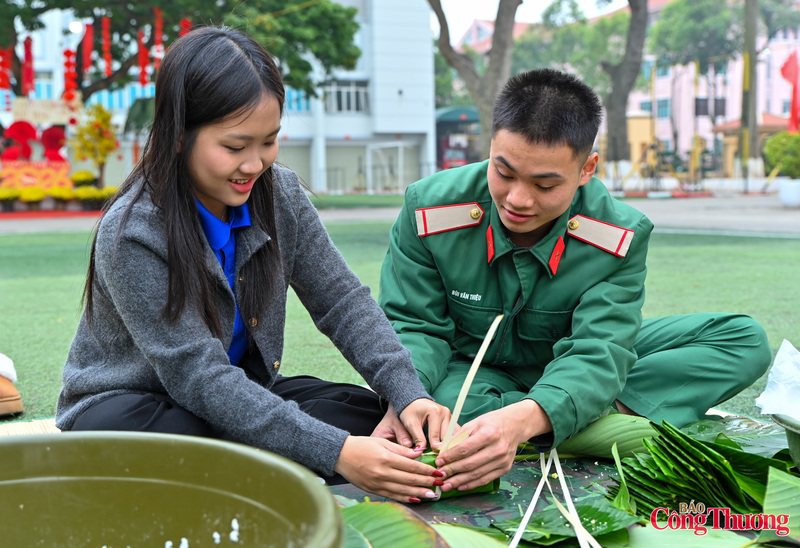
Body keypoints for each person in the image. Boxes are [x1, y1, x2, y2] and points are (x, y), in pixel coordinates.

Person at [55, 26, 451, 504]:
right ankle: (284, 462)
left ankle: (285, 459)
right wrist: (339, 453)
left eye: (270, 141)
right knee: (187, 446)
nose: (255, 164)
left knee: (371, 417)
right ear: (179, 135)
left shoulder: (280, 195)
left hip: (242, 393)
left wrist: (407, 394)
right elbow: (198, 379)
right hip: (135, 408)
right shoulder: (135, 231)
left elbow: (343, 302)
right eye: (235, 146)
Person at [378, 68, 771, 495]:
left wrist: (525, 418)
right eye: (504, 173)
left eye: (545, 184)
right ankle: (585, 417)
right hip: (470, 371)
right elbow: (414, 326)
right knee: (446, 405)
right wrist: (407, 396)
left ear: (587, 169)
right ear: (491, 147)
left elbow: (600, 348)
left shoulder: (616, 233)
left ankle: (536, 421)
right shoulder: (429, 209)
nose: (518, 200)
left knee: (744, 339)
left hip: (574, 361)